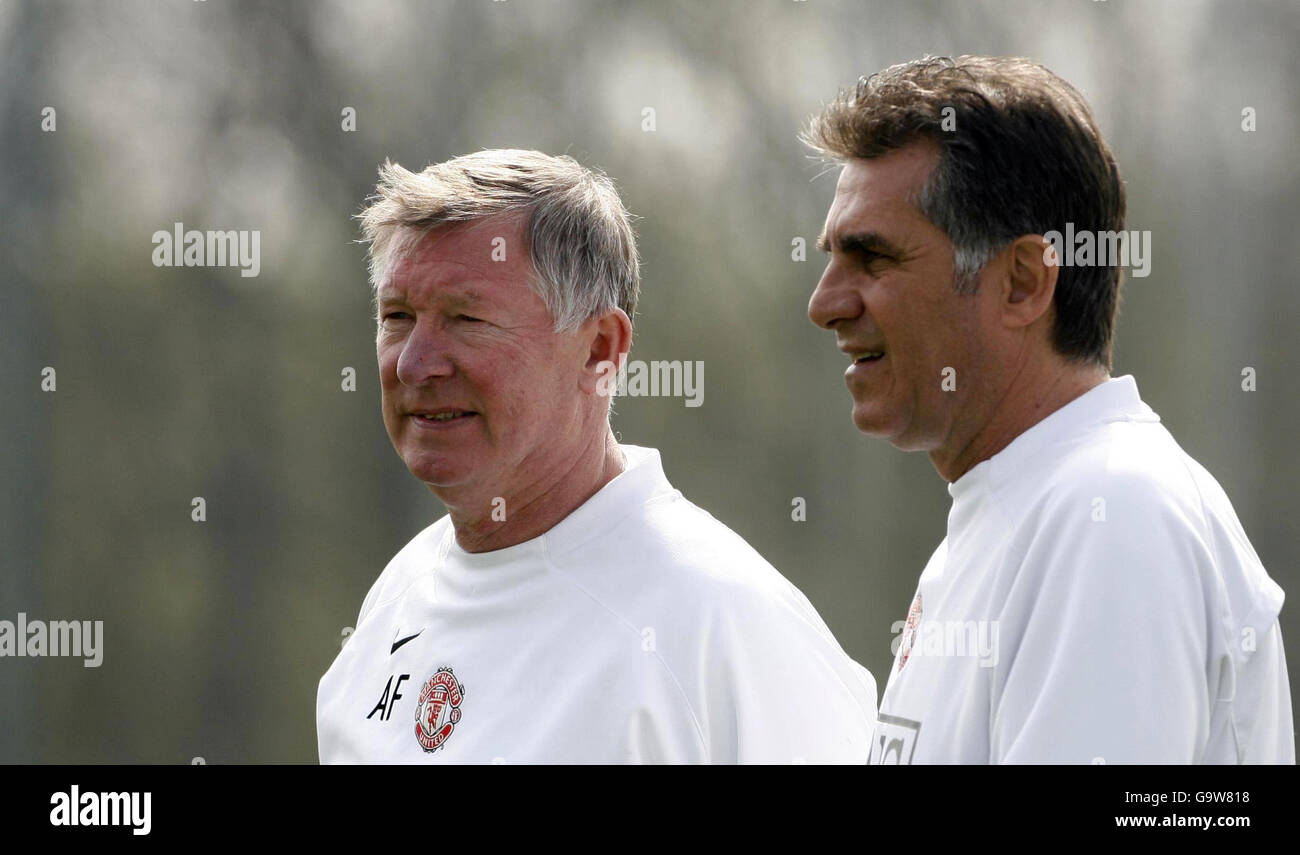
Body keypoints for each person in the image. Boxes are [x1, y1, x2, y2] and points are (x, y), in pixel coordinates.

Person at [804, 56, 1293, 764]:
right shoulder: (1023, 515)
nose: (825, 304)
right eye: (830, 259)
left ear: (1023, 281)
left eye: (872, 258)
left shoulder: (1111, 512)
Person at [317, 149, 876, 763]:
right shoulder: (396, 597)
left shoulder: (721, 625)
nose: (414, 364)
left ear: (599, 350)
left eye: (466, 318)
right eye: (397, 317)